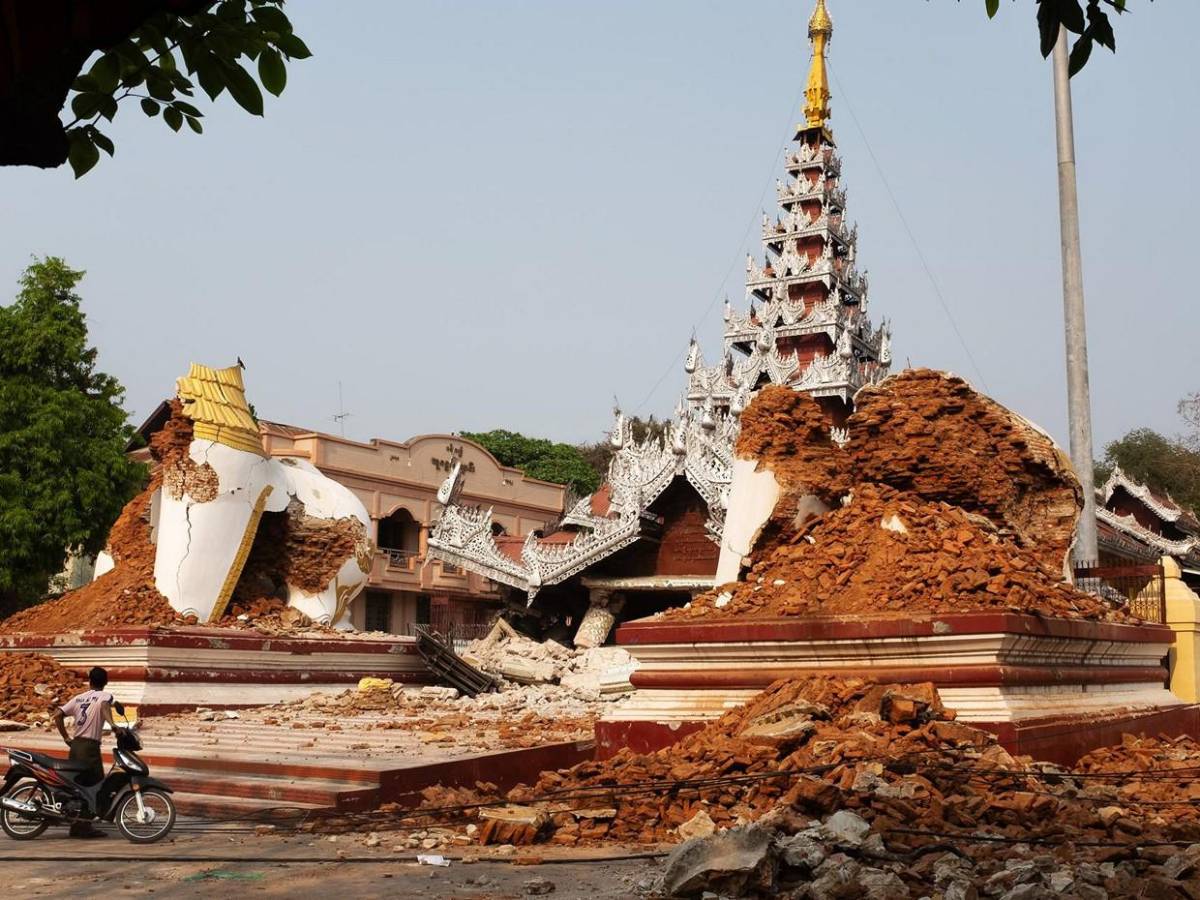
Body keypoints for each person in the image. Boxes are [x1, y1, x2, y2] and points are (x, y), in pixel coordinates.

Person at [51, 666, 116, 838]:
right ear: (106, 682)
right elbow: (104, 706)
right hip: (90, 748)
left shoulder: (79, 698)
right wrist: (114, 725)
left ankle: (76, 824)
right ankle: (84, 826)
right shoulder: (105, 696)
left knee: (78, 785)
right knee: (97, 786)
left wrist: (66, 737)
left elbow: (57, 714)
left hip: (76, 746)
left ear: (90, 681)